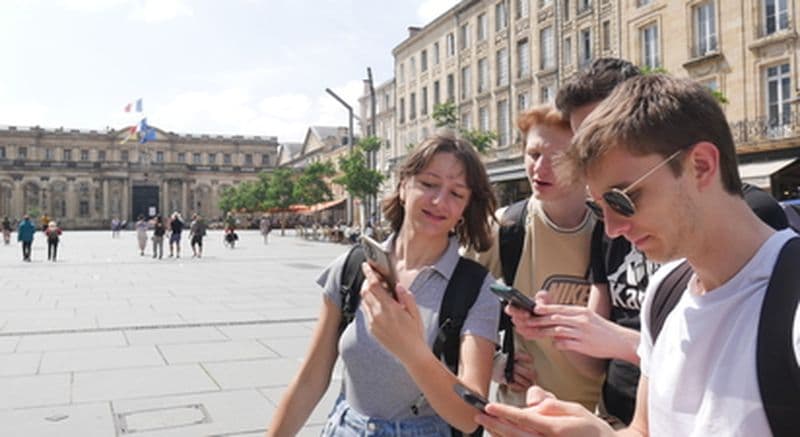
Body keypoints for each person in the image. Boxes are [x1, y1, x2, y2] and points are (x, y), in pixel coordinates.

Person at [476, 74, 800, 437]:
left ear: (702, 165)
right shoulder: (665, 292)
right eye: (599, 209)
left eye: (622, 199)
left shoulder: (790, 302)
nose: (613, 229)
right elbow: (645, 430)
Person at [267, 135, 501, 436]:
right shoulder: (352, 268)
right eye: (429, 184)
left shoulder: (476, 288)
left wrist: (412, 351)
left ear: (465, 208)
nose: (440, 201)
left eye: (456, 193)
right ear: (404, 185)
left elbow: (472, 416)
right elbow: (310, 378)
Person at [472, 105, 603, 412]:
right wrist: (494, 363)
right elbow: (450, 302)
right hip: (522, 418)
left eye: (558, 157)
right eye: (533, 154)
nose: (539, 168)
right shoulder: (505, 227)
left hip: (600, 421)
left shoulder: (616, 231)